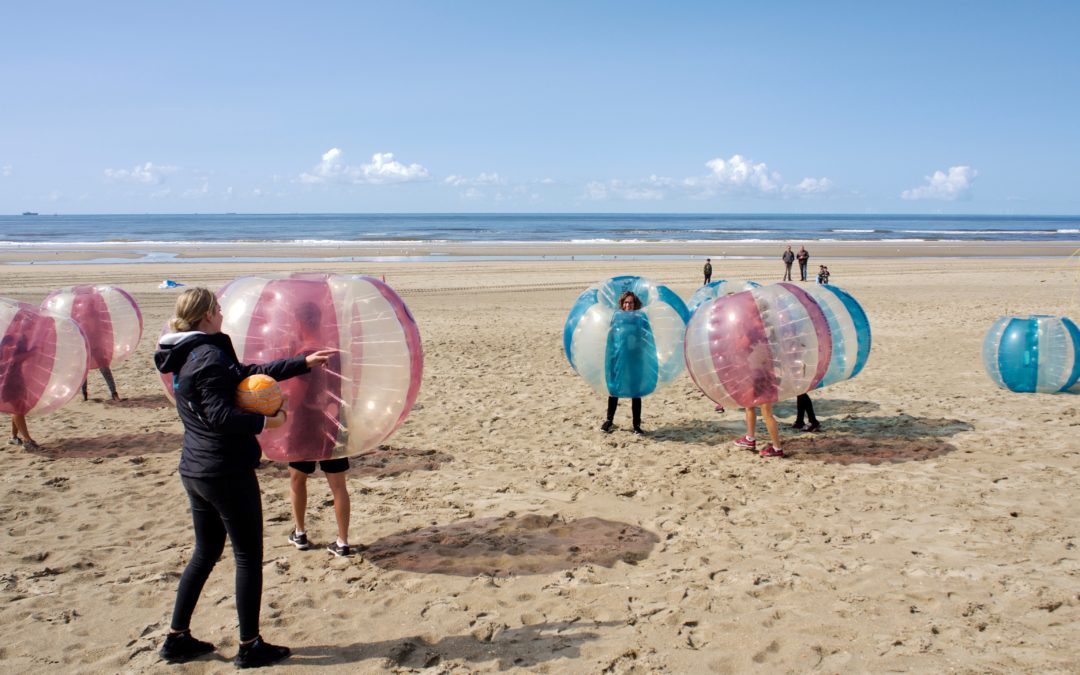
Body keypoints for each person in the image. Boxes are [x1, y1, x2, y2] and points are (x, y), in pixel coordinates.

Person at [154, 287, 333, 668]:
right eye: (217, 309)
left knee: (205, 553)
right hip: (225, 471)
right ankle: (249, 645)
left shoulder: (186, 353)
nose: (222, 313)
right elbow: (220, 416)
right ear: (206, 315)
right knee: (248, 557)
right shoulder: (209, 356)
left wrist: (301, 363)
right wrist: (267, 421)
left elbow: (245, 375)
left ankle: (177, 637)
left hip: (196, 469)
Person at [284, 302, 353, 558]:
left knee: (297, 478)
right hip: (333, 422)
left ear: (299, 322)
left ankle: (300, 532)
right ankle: (342, 541)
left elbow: (296, 397)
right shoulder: (335, 352)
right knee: (338, 485)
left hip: (305, 424)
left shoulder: (304, 354)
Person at [600, 291, 645, 435]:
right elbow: (611, 338)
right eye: (626, 302)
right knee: (614, 389)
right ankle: (609, 421)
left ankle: (636, 425)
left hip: (634, 359)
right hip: (618, 357)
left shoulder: (640, 318)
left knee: (635, 392)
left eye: (631, 302)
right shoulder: (616, 317)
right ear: (622, 304)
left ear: (635, 304)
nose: (628, 305)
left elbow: (645, 338)